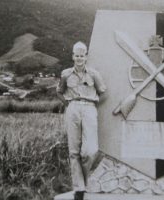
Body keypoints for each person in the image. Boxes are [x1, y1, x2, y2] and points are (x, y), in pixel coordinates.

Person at [56, 41, 106, 200]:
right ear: (73, 56)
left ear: (86, 56)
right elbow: (59, 92)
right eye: (76, 55)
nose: (79, 58)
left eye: (82, 55)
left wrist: (93, 105)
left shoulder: (93, 74)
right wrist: (69, 105)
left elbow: (103, 92)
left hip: (90, 108)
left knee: (90, 151)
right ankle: (79, 189)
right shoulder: (65, 74)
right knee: (74, 151)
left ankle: (82, 181)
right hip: (73, 108)